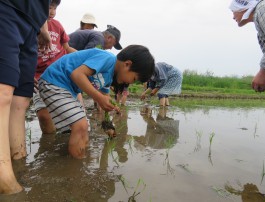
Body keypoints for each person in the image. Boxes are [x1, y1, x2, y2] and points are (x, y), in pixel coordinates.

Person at [38, 45, 155, 159]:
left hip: (66, 89)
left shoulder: (109, 77)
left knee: (80, 129)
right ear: (127, 64)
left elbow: (105, 98)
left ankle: (71, 157)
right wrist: (99, 98)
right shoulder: (108, 59)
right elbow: (77, 74)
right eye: (134, 79)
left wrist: (109, 123)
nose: (130, 82)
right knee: (81, 126)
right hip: (55, 81)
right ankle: (76, 169)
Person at [0, 0, 51, 194]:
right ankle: (4, 180)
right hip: (8, 7)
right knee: (3, 92)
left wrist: (43, 26)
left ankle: (19, 162)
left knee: (21, 99)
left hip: (33, 24)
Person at [33, 0, 77, 134]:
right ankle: (49, 143)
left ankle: (70, 135)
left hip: (61, 75)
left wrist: (84, 57)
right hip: (39, 77)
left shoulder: (57, 26)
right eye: (49, 7)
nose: (52, 12)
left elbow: (67, 48)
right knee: (44, 115)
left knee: (72, 111)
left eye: (55, 8)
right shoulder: (30, 25)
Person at [229, 0, 265, 92]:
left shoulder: (263, 8)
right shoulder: (260, 18)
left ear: (243, 6)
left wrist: (264, 71)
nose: (233, 17)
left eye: (233, 11)